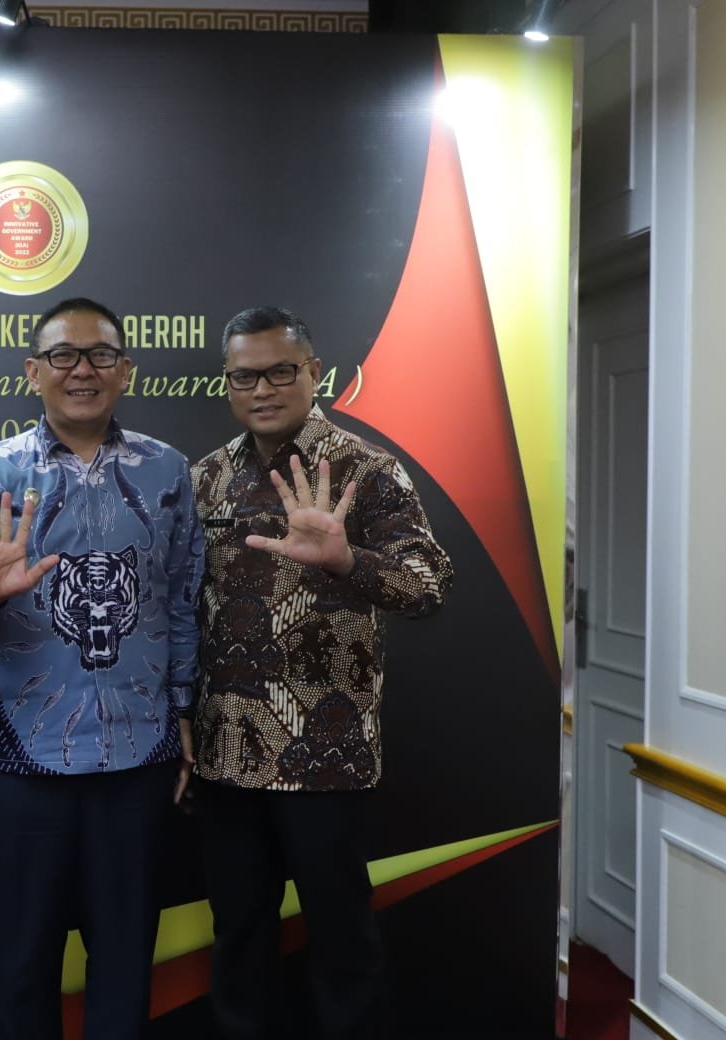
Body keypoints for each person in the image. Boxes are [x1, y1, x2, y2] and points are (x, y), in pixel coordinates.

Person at [0, 297, 204, 1040]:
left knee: (125, 965)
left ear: (126, 370)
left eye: (100, 355)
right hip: (20, 763)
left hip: (140, 757)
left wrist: (183, 711)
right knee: (20, 968)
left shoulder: (167, 471)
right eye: (62, 356)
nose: (82, 370)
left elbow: (182, 602)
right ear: (33, 371)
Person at [189, 306, 453, 1039]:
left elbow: (428, 587)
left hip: (325, 759)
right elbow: (184, 606)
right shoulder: (206, 476)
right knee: (238, 937)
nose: (262, 390)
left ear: (313, 372)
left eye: (280, 372)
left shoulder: (367, 470)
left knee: (341, 942)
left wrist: (346, 560)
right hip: (226, 754)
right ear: (227, 382)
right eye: (244, 376)